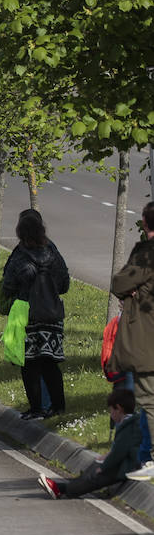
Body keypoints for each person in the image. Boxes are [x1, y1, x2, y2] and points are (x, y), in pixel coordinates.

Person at [1, 209, 70, 419]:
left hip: (27, 314)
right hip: (51, 314)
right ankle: (58, 407)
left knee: (29, 364)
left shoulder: (20, 255)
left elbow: (9, 284)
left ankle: (36, 408)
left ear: (20, 232)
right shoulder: (53, 253)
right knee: (50, 364)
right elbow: (64, 284)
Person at [111, 201, 154, 481]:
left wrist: (134, 291)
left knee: (148, 397)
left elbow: (119, 284)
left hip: (147, 336)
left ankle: (149, 459)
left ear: (145, 223)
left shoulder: (146, 254)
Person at [40, 390, 142, 498]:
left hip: (129, 466)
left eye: (111, 410)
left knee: (96, 477)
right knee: (95, 468)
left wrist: (104, 467)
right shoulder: (130, 422)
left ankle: (62, 489)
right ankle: (63, 487)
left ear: (119, 408)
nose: (111, 414)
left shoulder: (129, 426)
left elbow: (119, 452)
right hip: (128, 462)